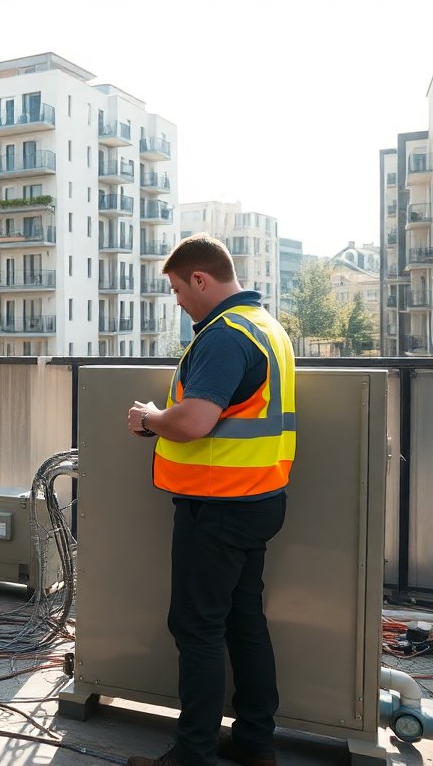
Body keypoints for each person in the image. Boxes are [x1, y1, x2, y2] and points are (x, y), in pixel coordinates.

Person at [125, 234, 294, 766]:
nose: (177, 301)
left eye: (177, 289)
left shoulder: (224, 335)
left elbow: (195, 421)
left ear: (201, 279)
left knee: (196, 628)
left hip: (217, 506)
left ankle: (192, 754)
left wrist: (149, 419)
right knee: (244, 621)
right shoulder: (268, 327)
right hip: (259, 500)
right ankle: (253, 743)